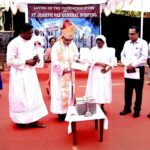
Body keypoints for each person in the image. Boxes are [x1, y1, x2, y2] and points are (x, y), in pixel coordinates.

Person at [7, 23, 48, 128]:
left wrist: (35, 59)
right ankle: (21, 121)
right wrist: (25, 62)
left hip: (30, 74)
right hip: (18, 75)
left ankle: (33, 120)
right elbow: (10, 60)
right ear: (22, 32)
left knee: (33, 97)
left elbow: (33, 54)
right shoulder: (13, 43)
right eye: (28, 33)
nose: (31, 35)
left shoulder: (31, 42)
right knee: (21, 98)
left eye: (31, 33)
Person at [50, 20, 79, 121]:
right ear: (62, 37)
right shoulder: (56, 46)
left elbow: (76, 56)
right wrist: (63, 69)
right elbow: (54, 61)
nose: (68, 42)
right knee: (59, 92)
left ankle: (69, 111)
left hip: (70, 74)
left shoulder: (73, 45)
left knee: (70, 91)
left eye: (70, 40)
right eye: (67, 40)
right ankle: (61, 113)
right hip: (60, 75)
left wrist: (77, 61)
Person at [120, 25, 148, 118]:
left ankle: (137, 109)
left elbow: (144, 57)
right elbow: (122, 55)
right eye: (129, 34)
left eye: (132, 34)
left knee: (138, 91)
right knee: (127, 90)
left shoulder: (143, 43)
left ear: (137, 33)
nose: (130, 36)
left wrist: (133, 65)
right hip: (128, 68)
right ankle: (127, 108)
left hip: (138, 69)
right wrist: (127, 64)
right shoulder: (126, 43)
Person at [85, 35, 116, 114]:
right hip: (94, 73)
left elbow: (113, 62)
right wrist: (98, 63)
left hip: (104, 73)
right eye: (97, 42)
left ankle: (102, 106)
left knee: (103, 90)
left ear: (104, 42)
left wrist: (107, 69)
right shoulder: (93, 50)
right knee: (94, 89)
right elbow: (89, 61)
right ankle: (93, 107)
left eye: (100, 42)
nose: (99, 44)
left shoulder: (109, 51)